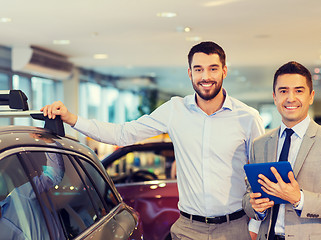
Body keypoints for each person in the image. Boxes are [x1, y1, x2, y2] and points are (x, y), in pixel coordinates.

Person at [41, 41, 265, 240]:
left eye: (213, 69)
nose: (205, 77)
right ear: (190, 73)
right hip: (188, 228)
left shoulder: (247, 117)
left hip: (235, 228)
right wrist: (71, 119)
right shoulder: (175, 110)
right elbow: (123, 133)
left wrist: (255, 225)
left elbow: (260, 176)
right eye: (199, 69)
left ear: (224, 71)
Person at [243, 61, 321, 240]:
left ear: (311, 96)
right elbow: (248, 197)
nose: (290, 98)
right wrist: (256, 207)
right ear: (274, 97)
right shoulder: (260, 143)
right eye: (283, 91)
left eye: (299, 91)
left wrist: (299, 198)